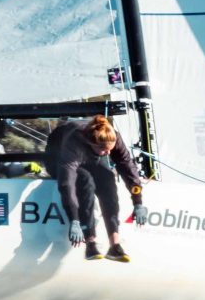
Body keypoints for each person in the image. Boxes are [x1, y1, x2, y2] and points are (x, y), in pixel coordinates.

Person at [45, 113, 145, 263]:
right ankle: (90, 243)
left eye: (110, 149)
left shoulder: (112, 137)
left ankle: (115, 245)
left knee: (108, 178)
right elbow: (67, 184)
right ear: (92, 143)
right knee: (85, 180)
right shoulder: (74, 141)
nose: (109, 153)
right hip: (58, 156)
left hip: (90, 157)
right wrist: (74, 220)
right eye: (105, 150)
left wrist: (138, 202)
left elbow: (128, 168)